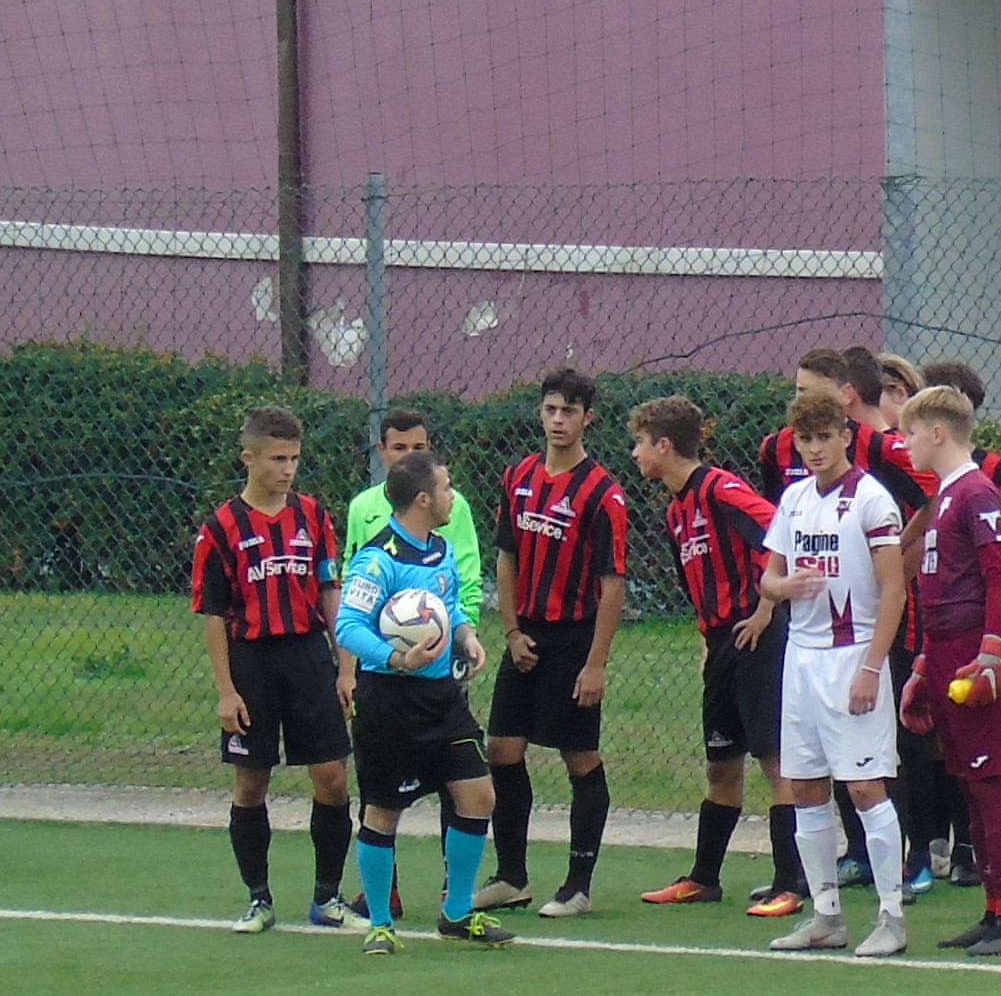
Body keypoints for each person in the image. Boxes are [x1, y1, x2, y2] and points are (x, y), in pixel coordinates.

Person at [760, 349, 928, 896]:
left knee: (865, 786)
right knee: (805, 786)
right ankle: (826, 912)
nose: (814, 449)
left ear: (845, 436)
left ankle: (891, 906)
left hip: (853, 653)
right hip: (801, 658)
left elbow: (894, 588)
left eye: (824, 438)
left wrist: (872, 668)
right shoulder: (793, 499)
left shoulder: (871, 499)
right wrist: (785, 587)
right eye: (805, 440)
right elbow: (768, 579)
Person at [330, 454, 507, 954]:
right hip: (389, 701)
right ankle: (381, 924)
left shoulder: (440, 549)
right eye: (447, 488)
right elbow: (348, 627)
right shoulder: (378, 559)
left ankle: (457, 913)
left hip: (441, 698)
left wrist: (466, 635)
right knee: (384, 811)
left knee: (478, 794)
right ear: (424, 499)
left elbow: (446, 608)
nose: (453, 496)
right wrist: (397, 658)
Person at [477, 366, 630, 918]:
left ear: (588, 418)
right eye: (550, 409)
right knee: (501, 749)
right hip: (526, 638)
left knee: (580, 757)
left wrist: (596, 663)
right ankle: (512, 877)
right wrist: (512, 630)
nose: (558, 420)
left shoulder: (603, 493)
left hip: (574, 639)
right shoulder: (518, 476)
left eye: (569, 411)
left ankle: (578, 885)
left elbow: (613, 584)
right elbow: (507, 557)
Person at [195, 404, 352, 930]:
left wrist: (346, 667)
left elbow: (330, 592)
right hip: (252, 663)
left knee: (332, 777)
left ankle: (327, 897)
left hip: (308, 655)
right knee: (251, 782)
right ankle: (259, 899)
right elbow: (214, 616)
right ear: (249, 458)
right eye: (277, 459)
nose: (288, 469)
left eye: (294, 459)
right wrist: (226, 690)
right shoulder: (220, 528)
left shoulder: (314, 516)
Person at [628, 398, 787, 908]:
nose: (635, 454)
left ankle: (791, 882)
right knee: (721, 763)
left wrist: (765, 609)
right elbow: (696, 585)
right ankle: (704, 878)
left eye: (640, 443)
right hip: (721, 644)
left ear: (664, 445)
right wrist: (706, 640)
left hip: (756, 637)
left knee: (775, 760)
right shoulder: (676, 510)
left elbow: (779, 534)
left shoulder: (720, 488)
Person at [897, 384, 1001, 957]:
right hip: (948, 651)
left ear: (937, 432)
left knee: (989, 779)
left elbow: (1000, 575)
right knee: (968, 785)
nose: (904, 444)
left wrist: (992, 652)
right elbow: (936, 593)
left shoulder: (976, 492)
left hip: (976, 651)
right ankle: (993, 908)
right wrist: (924, 663)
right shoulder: (946, 496)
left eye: (909, 433)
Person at [344, 409, 485, 631]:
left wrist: (466, 630)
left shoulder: (453, 504)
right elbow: (351, 573)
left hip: (443, 631)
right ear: (382, 450)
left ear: (429, 448)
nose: (409, 456)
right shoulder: (362, 507)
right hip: (380, 636)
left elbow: (467, 576)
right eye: (399, 448)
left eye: (418, 448)